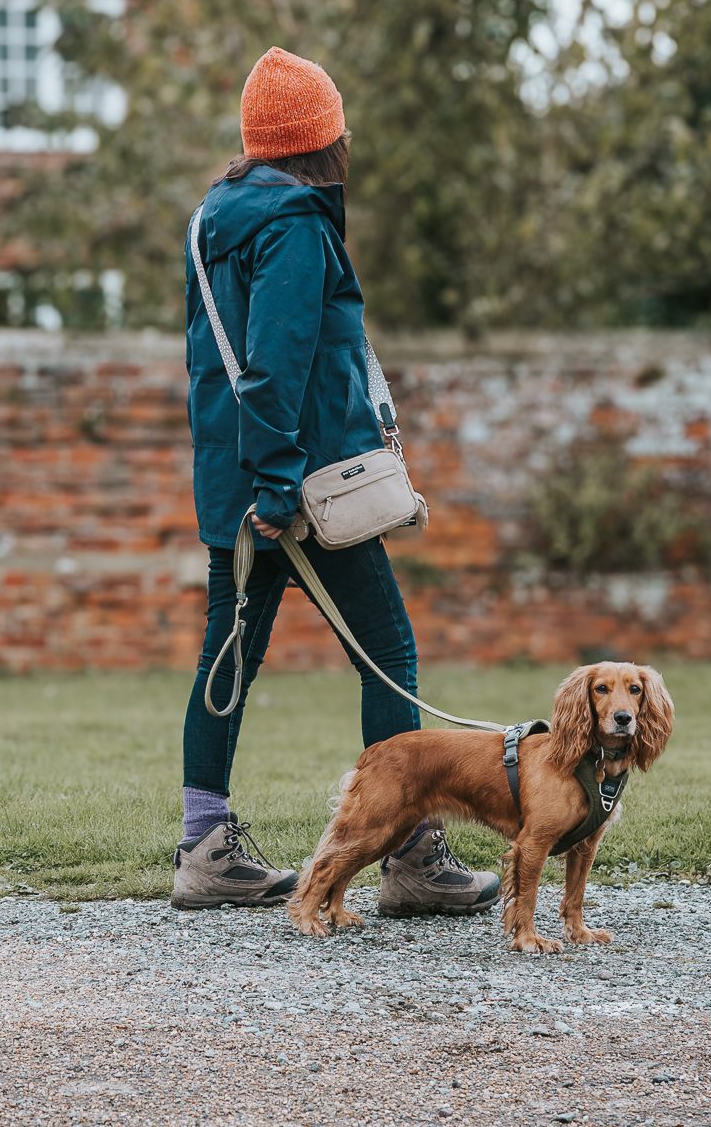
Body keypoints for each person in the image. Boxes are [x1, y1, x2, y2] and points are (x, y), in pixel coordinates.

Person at [171, 46, 500, 919]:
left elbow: (222, 369)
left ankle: (204, 848)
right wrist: (280, 489)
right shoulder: (297, 225)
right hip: (302, 490)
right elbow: (274, 369)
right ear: (323, 141)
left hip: (235, 480)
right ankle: (410, 853)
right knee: (387, 653)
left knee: (228, 655)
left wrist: (253, 485)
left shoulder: (216, 217)